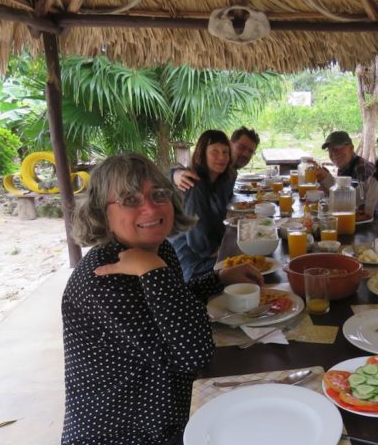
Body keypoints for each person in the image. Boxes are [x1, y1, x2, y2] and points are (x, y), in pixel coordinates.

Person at [61, 153, 263, 445]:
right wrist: (153, 270)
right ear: (101, 212)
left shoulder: (156, 250)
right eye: (130, 200)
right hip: (126, 433)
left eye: (158, 195)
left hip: (165, 412)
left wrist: (219, 277)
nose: (150, 208)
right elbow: (193, 354)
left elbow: (172, 306)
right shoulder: (103, 277)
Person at [169, 130, 245, 280]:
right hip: (192, 264)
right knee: (248, 266)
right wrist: (227, 254)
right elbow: (198, 243)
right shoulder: (194, 184)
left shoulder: (219, 181)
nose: (221, 157)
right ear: (201, 154)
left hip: (208, 253)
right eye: (214, 151)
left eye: (225, 152)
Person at [173, 126, 260, 192]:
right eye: (241, 147)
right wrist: (175, 173)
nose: (246, 154)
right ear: (230, 144)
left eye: (250, 151)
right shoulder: (197, 180)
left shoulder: (231, 173)